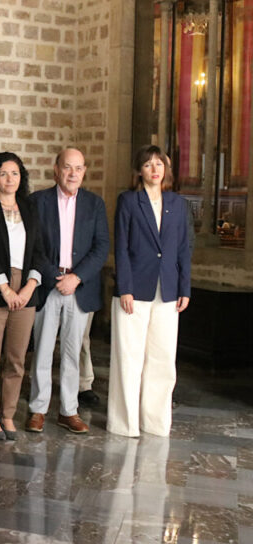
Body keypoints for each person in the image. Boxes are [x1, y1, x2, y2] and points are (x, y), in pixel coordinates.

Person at [107, 146, 190, 437]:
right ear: (138, 170)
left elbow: (183, 249)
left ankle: (155, 423)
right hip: (134, 290)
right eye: (148, 164)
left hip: (168, 291)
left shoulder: (178, 204)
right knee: (129, 358)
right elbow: (121, 247)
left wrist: (185, 287)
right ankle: (124, 423)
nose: (155, 169)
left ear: (166, 169)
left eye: (160, 164)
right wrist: (125, 288)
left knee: (163, 359)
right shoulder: (129, 201)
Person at [27, 148, 109, 435]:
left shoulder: (95, 205)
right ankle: (38, 409)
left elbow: (101, 248)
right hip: (48, 285)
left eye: (78, 168)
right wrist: (54, 275)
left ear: (84, 171)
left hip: (80, 287)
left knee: (73, 352)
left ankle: (68, 411)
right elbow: (32, 246)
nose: (73, 173)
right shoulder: (37, 202)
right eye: (67, 167)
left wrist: (76, 277)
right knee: (43, 350)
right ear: (56, 169)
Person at [0, 152, 45, 441]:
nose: (9, 179)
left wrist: (28, 287)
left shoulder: (29, 207)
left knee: (16, 358)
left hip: (26, 290)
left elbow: (40, 249)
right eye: (3, 173)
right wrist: (5, 289)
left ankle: (9, 414)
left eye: (15, 173)